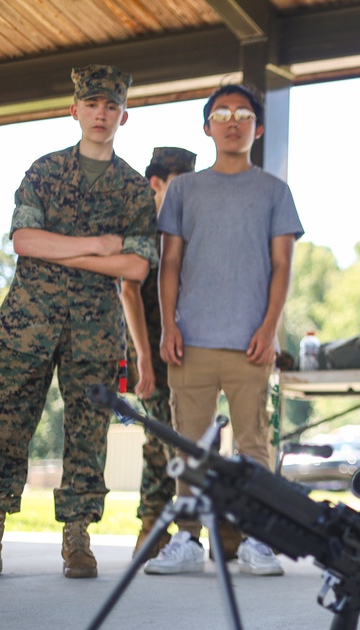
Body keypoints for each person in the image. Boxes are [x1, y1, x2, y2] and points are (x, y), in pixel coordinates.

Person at [0, 64, 157, 579]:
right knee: (7, 425)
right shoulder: (44, 171)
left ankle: (77, 539)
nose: (101, 114)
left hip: (94, 329)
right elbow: (25, 241)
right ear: (74, 110)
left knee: (88, 432)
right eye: (92, 104)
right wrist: (96, 246)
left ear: (124, 115)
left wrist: (60, 251)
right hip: (30, 322)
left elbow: (135, 266)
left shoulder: (134, 189)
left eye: (110, 106)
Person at [143, 83, 304, 577]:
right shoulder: (185, 190)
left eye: (243, 114)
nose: (232, 121)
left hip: (250, 344)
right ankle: (188, 540)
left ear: (256, 127)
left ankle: (257, 539)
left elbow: (282, 266)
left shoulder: (275, 191)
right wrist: (169, 325)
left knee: (253, 444)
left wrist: (270, 328)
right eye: (222, 113)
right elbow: (169, 263)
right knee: (189, 444)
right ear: (208, 125)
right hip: (189, 341)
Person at [120, 146, 197, 560]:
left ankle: (153, 528)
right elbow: (128, 292)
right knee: (173, 441)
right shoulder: (142, 227)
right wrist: (143, 359)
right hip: (150, 352)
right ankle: (189, 525)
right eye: (179, 184)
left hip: (186, 351)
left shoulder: (186, 228)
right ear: (157, 183)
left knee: (160, 441)